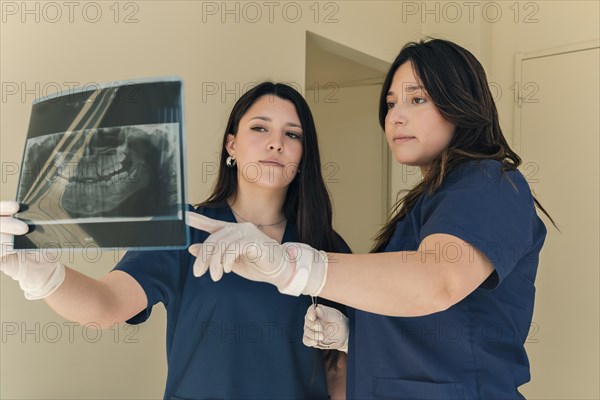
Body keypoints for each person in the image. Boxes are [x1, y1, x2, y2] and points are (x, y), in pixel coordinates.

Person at [186, 38, 554, 399]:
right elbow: (424, 318)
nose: (396, 116)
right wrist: (355, 335)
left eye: (417, 99)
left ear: (461, 102)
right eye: (391, 103)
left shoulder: (489, 183)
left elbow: (437, 281)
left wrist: (293, 267)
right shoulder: (431, 201)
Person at [0, 81, 350, 399]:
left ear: (303, 155)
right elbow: (104, 306)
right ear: (232, 143)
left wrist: (349, 341)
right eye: (260, 128)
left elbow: (338, 374)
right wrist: (43, 275)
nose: (276, 142)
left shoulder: (325, 249)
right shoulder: (185, 227)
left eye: (293, 135)